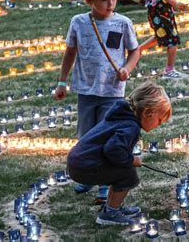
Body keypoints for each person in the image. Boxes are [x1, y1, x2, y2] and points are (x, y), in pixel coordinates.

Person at [54, 0, 140, 203]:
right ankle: (85, 174)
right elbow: (70, 52)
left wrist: (127, 69)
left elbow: (135, 51)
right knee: (86, 135)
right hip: (86, 90)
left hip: (112, 92)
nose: (111, 3)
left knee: (105, 136)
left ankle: (104, 181)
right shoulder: (79, 23)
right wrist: (62, 81)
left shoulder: (123, 23)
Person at [67, 81, 172, 225]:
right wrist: (131, 160)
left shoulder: (121, 115)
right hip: (85, 167)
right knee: (127, 174)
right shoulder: (130, 126)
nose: (158, 125)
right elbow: (112, 149)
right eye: (159, 121)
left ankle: (111, 207)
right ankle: (109, 214)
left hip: (78, 162)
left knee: (121, 170)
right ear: (148, 113)